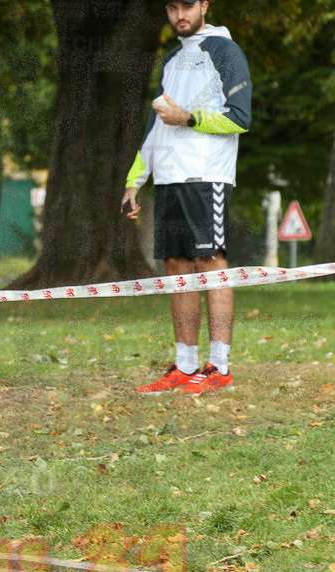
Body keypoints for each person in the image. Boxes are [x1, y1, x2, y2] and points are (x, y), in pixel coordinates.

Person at [122, 0, 251, 395]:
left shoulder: (225, 51)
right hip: (168, 178)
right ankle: (185, 365)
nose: (181, 14)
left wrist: (189, 118)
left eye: (188, 5)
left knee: (210, 261)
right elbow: (154, 126)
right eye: (173, 6)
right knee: (176, 266)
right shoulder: (173, 59)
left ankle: (220, 368)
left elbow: (239, 118)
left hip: (205, 174)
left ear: (204, 6)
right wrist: (135, 180)